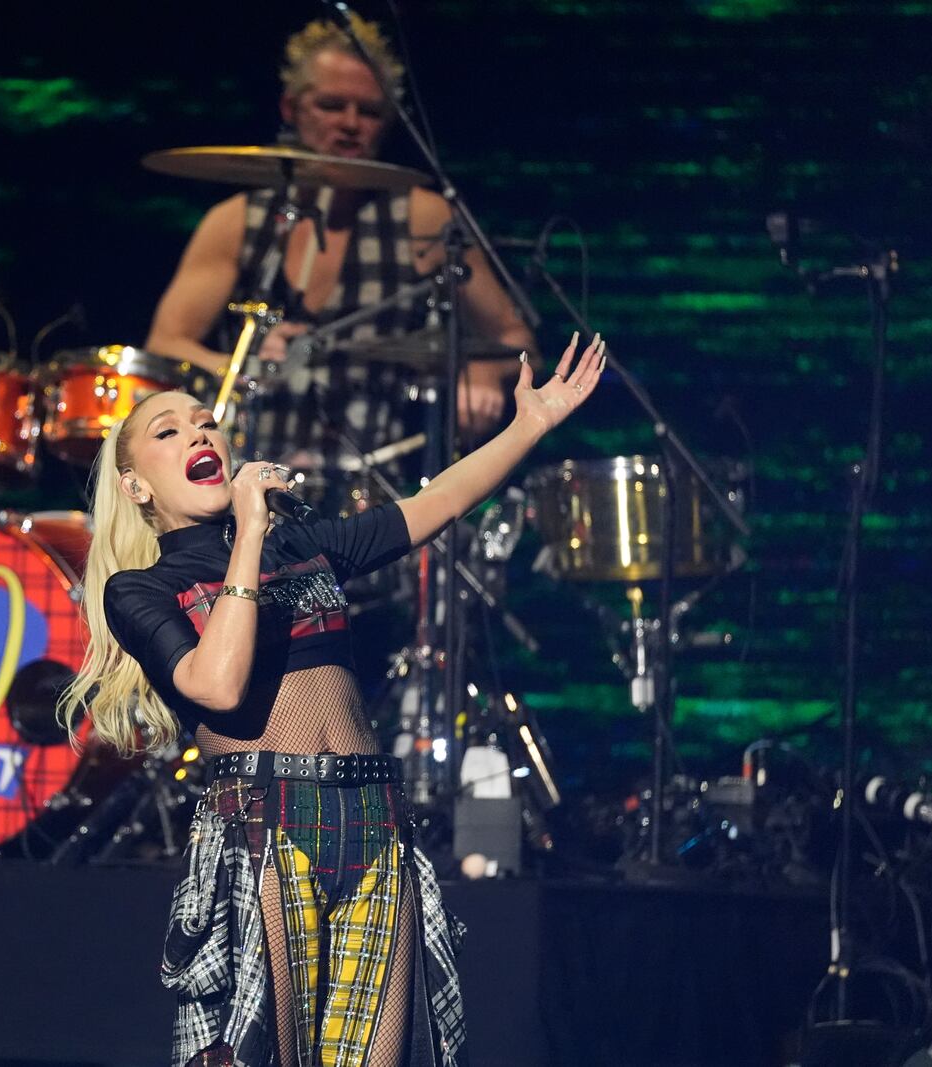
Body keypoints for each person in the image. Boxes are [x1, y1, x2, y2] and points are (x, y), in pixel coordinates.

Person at [60, 334, 607, 1067]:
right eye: (169, 431)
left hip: (371, 818)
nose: (198, 433)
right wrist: (250, 530)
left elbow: (437, 500)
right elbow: (216, 685)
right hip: (263, 821)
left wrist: (529, 425)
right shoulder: (144, 588)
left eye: (205, 422)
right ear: (137, 486)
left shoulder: (306, 547)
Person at [145, 15, 536, 459]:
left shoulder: (422, 216)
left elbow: (515, 338)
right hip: (247, 474)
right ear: (290, 109)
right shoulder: (238, 221)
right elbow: (164, 345)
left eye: (369, 111)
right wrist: (243, 368)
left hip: (374, 486)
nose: (351, 124)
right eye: (331, 106)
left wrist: (482, 372)